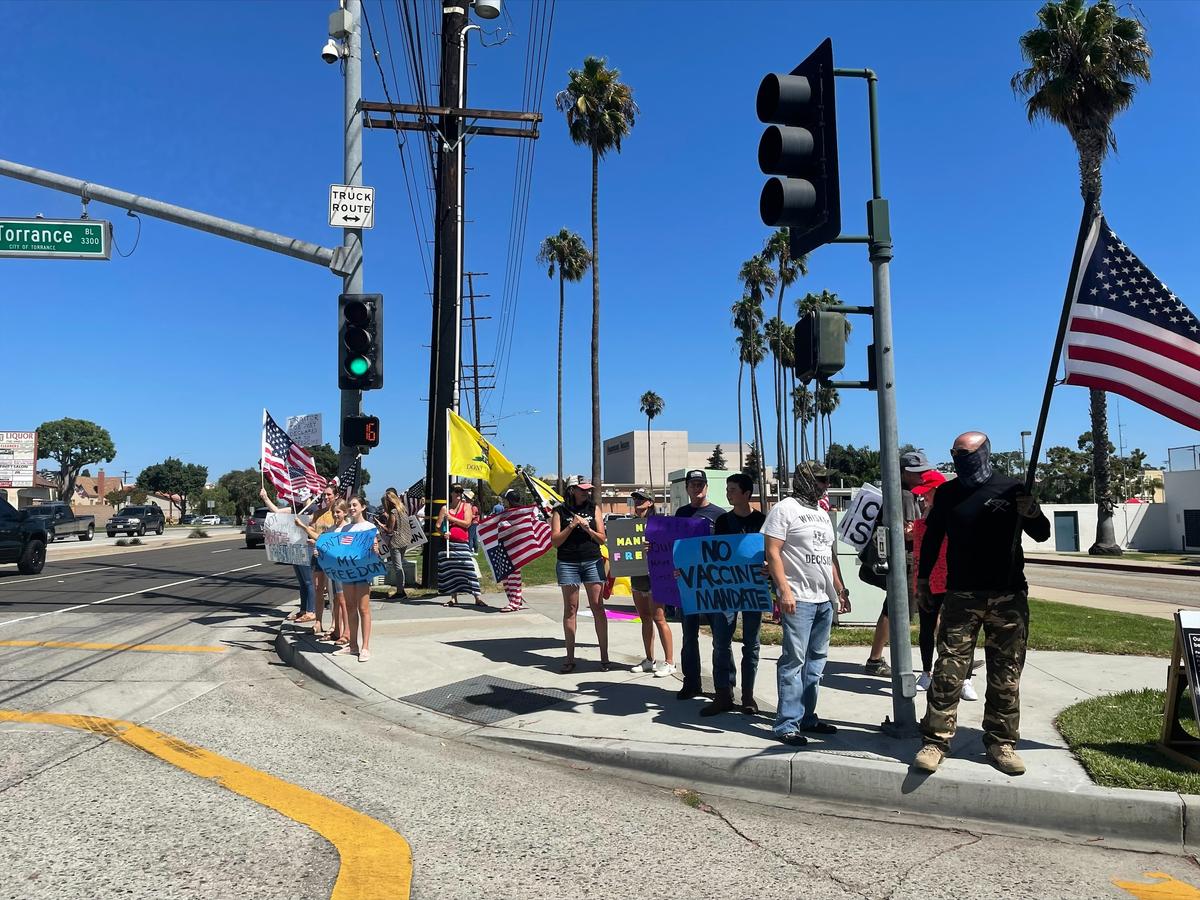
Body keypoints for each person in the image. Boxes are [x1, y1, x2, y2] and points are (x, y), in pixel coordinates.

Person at [911, 432, 1050, 777]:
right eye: (955, 453)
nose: (959, 458)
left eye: (965, 453)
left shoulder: (1012, 488)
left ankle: (1001, 742)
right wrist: (924, 580)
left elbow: (1043, 533)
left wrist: (1031, 512)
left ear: (985, 452)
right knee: (948, 671)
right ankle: (936, 741)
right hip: (961, 595)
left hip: (1008, 595)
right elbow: (932, 540)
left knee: (1006, 673)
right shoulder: (947, 493)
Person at [763, 462, 852, 746]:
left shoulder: (823, 514)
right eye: (820, 480)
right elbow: (773, 552)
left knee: (816, 663)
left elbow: (830, 556)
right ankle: (786, 724)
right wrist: (784, 590)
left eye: (826, 480)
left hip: (824, 599)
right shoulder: (784, 509)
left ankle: (807, 717)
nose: (824, 485)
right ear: (805, 479)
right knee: (793, 661)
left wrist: (841, 589)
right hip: (798, 598)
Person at [702, 473, 768, 717]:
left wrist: (769, 567)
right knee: (721, 642)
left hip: (753, 589)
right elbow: (714, 555)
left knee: (751, 645)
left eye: (732, 490)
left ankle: (748, 696)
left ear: (746, 494)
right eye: (728, 489)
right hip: (726, 590)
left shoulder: (763, 521)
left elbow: (772, 552)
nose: (728, 493)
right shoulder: (722, 521)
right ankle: (723, 693)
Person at [674, 470, 725, 701]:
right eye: (693, 484)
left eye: (701, 484)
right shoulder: (681, 514)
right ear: (687, 488)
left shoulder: (719, 515)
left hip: (713, 584)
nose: (697, 488)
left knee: (720, 637)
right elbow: (671, 545)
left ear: (707, 486)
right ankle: (691, 683)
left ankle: (724, 687)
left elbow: (728, 551)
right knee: (688, 636)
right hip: (687, 583)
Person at [551, 479, 608, 673]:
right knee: (571, 609)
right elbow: (555, 542)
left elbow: (602, 538)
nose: (586, 493)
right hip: (568, 562)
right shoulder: (559, 511)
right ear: (573, 490)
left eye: (588, 490)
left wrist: (588, 529)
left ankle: (604, 656)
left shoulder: (594, 508)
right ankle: (569, 658)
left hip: (592, 561)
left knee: (597, 607)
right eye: (582, 490)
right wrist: (571, 525)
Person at [627, 488, 675, 678]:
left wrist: (653, 547)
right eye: (635, 499)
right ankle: (649, 660)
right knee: (645, 618)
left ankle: (670, 661)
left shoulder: (660, 524)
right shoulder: (629, 525)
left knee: (659, 618)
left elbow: (670, 547)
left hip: (656, 576)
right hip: (637, 576)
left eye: (642, 499)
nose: (638, 502)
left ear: (650, 502)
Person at [333, 495, 382, 663]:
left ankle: (365, 647)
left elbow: (375, 550)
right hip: (347, 572)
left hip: (362, 572)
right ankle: (352, 645)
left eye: (355, 505)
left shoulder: (369, 527)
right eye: (350, 505)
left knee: (363, 608)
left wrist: (376, 549)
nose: (352, 508)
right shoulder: (344, 529)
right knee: (351, 607)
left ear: (363, 507)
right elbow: (337, 550)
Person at [258, 487, 317, 625]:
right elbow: (277, 512)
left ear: (311, 493)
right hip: (295, 546)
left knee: (309, 581)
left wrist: (300, 522)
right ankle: (303, 610)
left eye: (304, 491)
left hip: (307, 547)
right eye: (299, 492)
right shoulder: (295, 508)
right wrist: (266, 498)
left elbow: (313, 525)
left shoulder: (314, 509)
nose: (301, 494)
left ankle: (311, 610)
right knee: (302, 582)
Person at [296, 498, 350, 643]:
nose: (335, 515)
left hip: (345, 571)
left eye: (338, 512)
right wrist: (303, 527)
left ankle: (347, 633)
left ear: (345, 513)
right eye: (334, 512)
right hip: (332, 570)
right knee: (336, 600)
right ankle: (337, 631)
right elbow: (321, 540)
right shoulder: (332, 530)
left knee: (344, 601)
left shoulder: (348, 529)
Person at [437, 484, 486, 608]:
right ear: (451, 493)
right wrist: (443, 533)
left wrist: (452, 518)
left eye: (460, 491)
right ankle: (453, 598)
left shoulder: (467, 506)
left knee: (469, 569)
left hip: (462, 544)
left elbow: (467, 523)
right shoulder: (445, 508)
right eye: (456, 491)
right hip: (448, 545)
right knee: (451, 571)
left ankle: (477, 597)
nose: (458, 493)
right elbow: (437, 526)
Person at [496, 489, 530, 613]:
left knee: (513, 576)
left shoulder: (519, 513)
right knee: (506, 577)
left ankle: (514, 602)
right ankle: (515, 599)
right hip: (506, 548)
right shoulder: (506, 513)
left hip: (515, 549)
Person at [381, 487, 413, 600]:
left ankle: (400, 591)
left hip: (396, 541)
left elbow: (390, 529)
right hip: (405, 540)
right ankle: (401, 589)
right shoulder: (403, 509)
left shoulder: (393, 512)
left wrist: (382, 525)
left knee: (398, 567)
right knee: (401, 566)